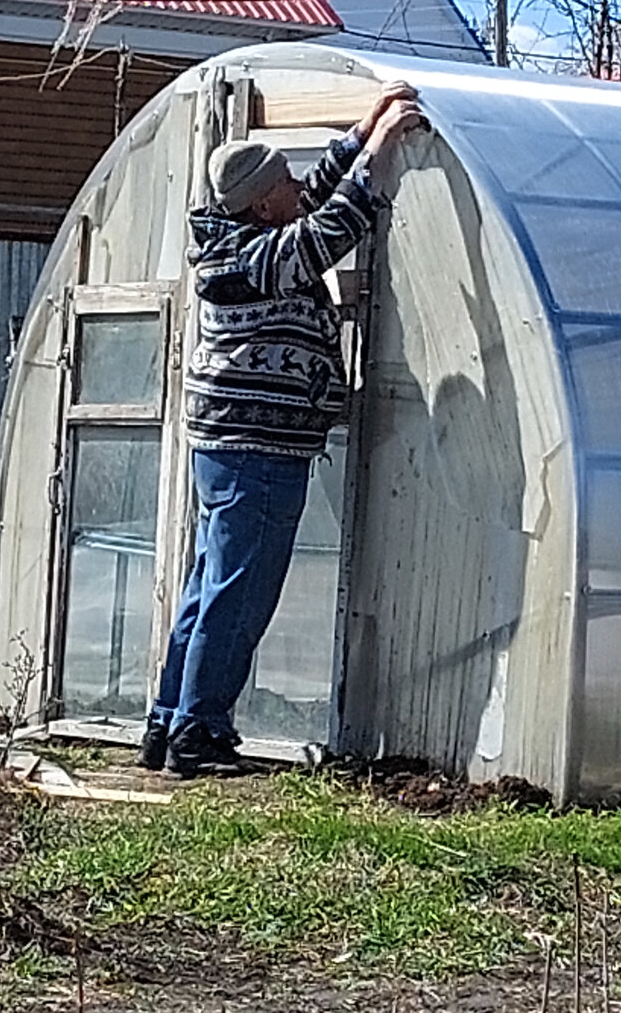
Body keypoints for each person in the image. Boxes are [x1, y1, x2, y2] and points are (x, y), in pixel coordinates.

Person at [137, 81, 425, 778]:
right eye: (286, 183)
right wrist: (381, 153)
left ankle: (169, 721)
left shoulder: (239, 235)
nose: (299, 186)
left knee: (211, 586)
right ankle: (198, 734)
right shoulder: (247, 262)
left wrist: (361, 129)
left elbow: (309, 201)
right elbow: (323, 233)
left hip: (232, 447)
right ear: (264, 203)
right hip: (254, 449)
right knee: (238, 593)